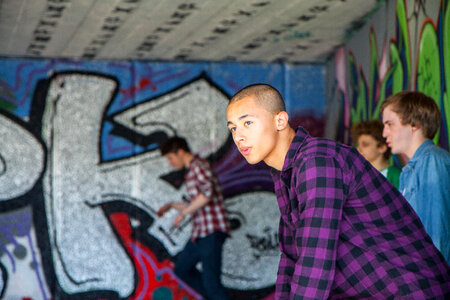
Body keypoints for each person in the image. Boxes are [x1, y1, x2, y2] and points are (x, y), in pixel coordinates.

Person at [226, 84, 450, 299]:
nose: (238, 136)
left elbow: (316, 257)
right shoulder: (286, 173)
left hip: (411, 291)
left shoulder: (318, 160)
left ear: (280, 120)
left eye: (247, 123)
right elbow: (292, 259)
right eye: (233, 128)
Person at [156, 136, 230, 300]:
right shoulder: (192, 170)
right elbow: (197, 203)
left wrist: (183, 213)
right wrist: (172, 206)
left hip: (211, 231)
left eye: (170, 158)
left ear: (181, 152)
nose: (170, 163)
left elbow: (207, 194)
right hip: (200, 233)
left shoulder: (198, 166)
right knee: (182, 269)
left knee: (212, 284)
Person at [381, 91, 450, 263]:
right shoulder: (411, 169)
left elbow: (437, 235)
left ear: (414, 124)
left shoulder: (431, 162)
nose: (384, 133)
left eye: (390, 124)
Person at [351, 119, 401, 188]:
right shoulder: (356, 176)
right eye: (358, 145)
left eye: (365, 145)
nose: (358, 149)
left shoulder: (396, 176)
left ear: (382, 148)